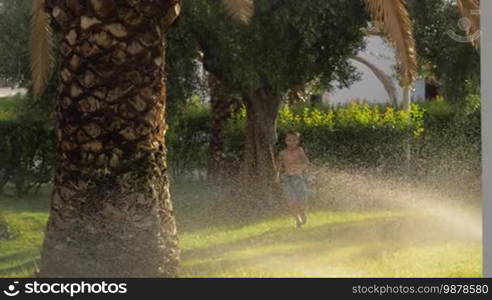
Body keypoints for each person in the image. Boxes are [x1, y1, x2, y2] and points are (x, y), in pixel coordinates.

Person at [276, 130, 310, 228]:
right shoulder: (282, 153)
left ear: (298, 141)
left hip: (298, 178)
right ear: (285, 141)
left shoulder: (300, 150)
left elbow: (306, 162)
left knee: (302, 199)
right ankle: (297, 219)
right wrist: (277, 176)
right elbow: (278, 167)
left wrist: (300, 169)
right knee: (291, 200)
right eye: (289, 140)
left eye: (294, 140)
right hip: (287, 179)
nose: (291, 142)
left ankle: (303, 213)